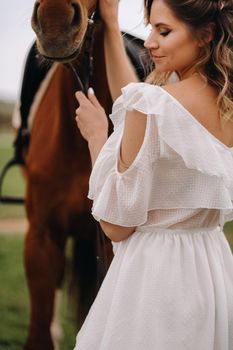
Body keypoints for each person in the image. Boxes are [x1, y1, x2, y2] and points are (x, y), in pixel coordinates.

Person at [74, 0, 233, 349]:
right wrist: (111, 26)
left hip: (153, 281)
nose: (147, 41)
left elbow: (116, 225)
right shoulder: (225, 104)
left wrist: (97, 137)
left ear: (205, 34)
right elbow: (143, 111)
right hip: (213, 270)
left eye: (163, 31)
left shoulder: (150, 104)